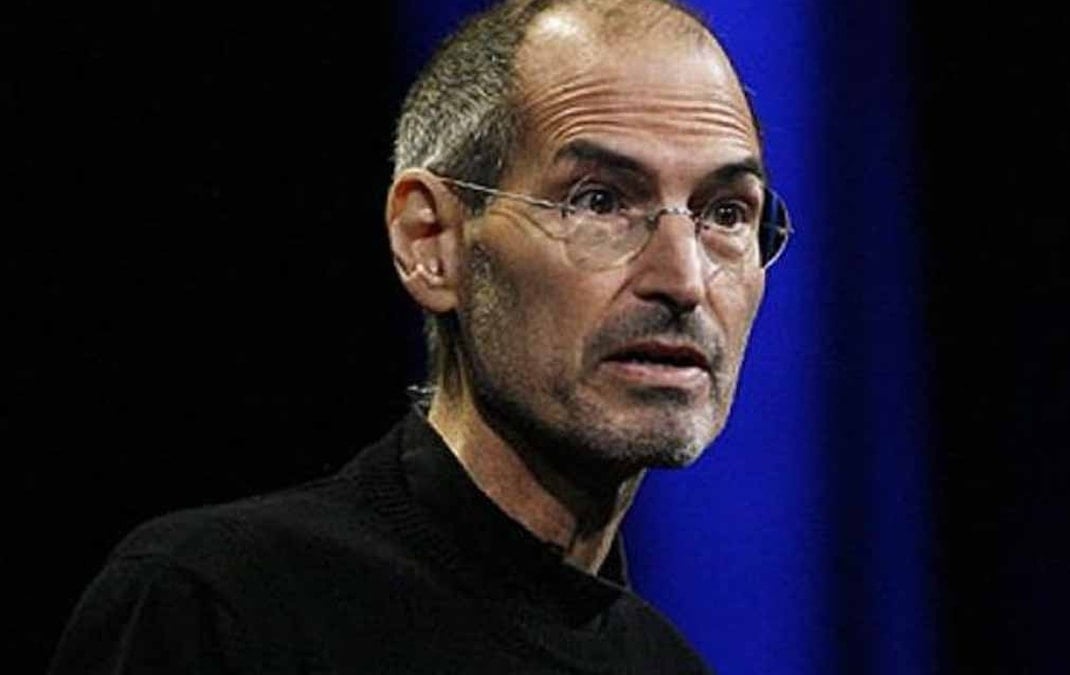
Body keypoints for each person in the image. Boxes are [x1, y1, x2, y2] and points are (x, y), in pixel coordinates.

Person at [49, 0, 792, 671]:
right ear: (431, 242)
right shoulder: (219, 606)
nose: (684, 280)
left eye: (727, 213)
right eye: (598, 202)